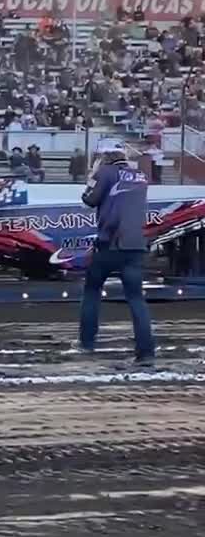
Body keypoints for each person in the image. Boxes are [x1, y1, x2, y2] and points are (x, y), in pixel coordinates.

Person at [76, 138, 155, 367]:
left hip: (108, 243)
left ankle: (87, 343)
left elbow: (88, 200)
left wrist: (93, 174)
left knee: (92, 292)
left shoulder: (106, 173)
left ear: (104, 156)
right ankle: (146, 352)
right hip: (135, 245)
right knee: (136, 299)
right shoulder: (141, 177)